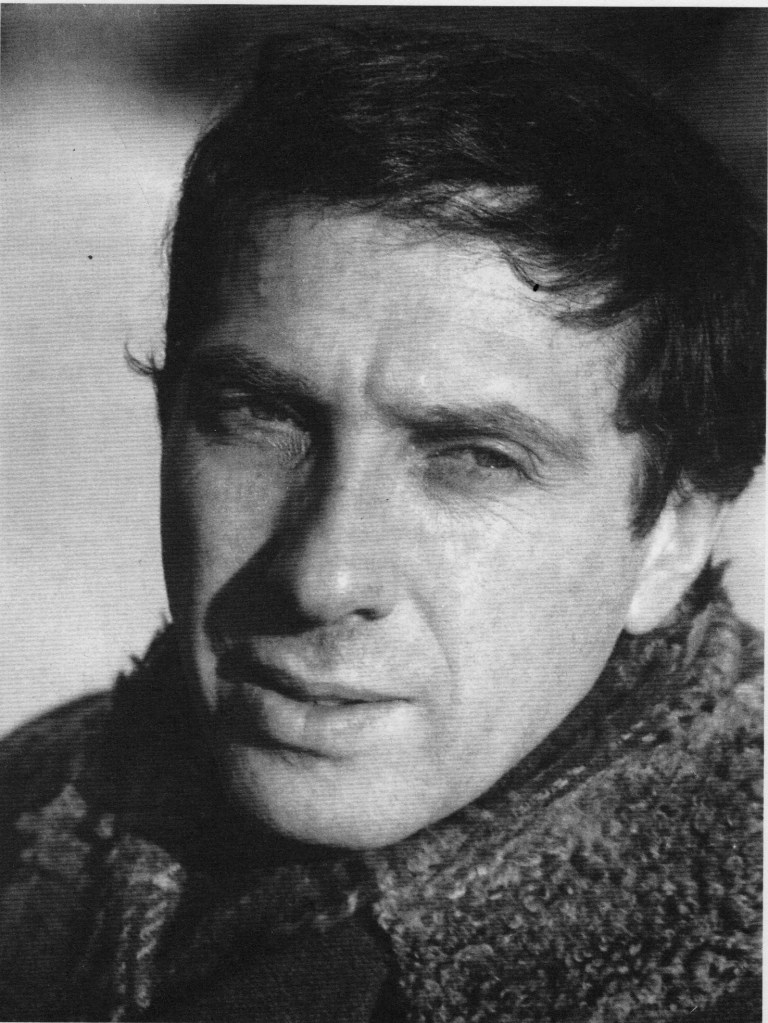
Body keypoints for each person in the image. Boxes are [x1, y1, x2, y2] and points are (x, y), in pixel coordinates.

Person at [0, 25, 763, 1023]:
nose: (323, 576)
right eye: (262, 416)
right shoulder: (36, 810)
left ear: (672, 536)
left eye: (473, 458)